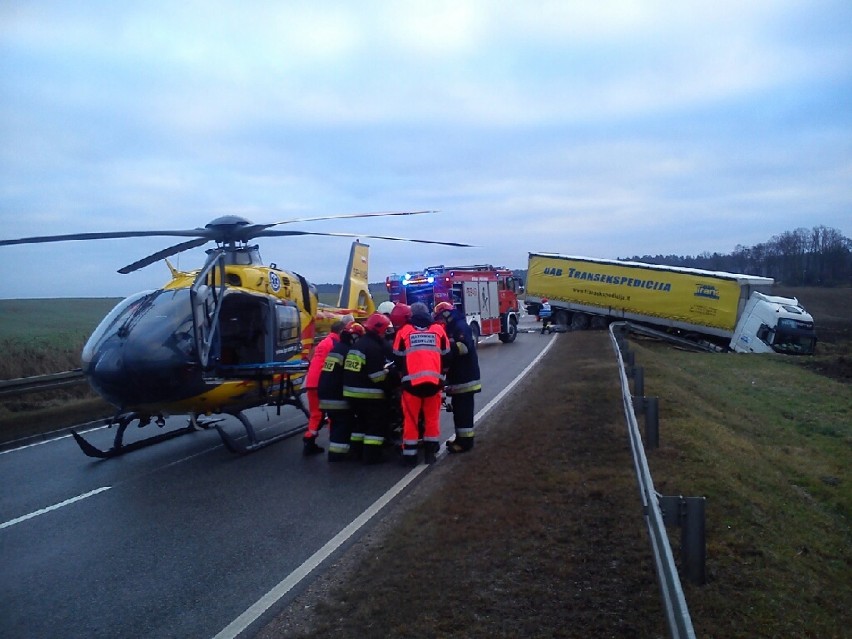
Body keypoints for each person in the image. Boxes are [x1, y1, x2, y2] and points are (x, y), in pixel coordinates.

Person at [393, 302, 450, 466]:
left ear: (411, 315)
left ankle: (409, 456)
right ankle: (430, 453)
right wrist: (441, 373)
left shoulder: (404, 331)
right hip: (434, 384)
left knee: (410, 420)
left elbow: (396, 357)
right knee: (432, 419)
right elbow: (447, 356)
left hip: (411, 385)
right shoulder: (439, 330)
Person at [343, 312, 394, 464]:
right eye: (385, 331)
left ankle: (356, 452)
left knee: (360, 424)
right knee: (375, 425)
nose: (386, 334)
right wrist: (389, 386)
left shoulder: (359, 344)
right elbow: (376, 376)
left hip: (351, 394)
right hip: (369, 395)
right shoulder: (373, 348)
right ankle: (372, 456)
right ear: (379, 330)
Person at [433, 301, 481, 453]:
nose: (440, 320)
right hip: (460, 378)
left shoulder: (460, 327)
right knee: (459, 412)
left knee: (463, 413)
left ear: (447, 314)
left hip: (465, 379)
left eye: (441, 316)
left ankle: (465, 443)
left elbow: (464, 347)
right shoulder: (453, 327)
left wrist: (445, 349)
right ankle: (460, 439)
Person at [302, 318, 351, 456]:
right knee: (333, 413)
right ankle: (335, 442)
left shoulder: (324, 342)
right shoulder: (335, 343)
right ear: (341, 331)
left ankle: (309, 439)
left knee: (316, 414)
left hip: (312, 381)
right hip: (322, 382)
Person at [318, 321, 366, 461]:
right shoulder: (348, 351)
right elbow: (353, 374)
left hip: (325, 393)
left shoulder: (336, 348)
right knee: (344, 423)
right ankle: (338, 454)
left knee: (336, 422)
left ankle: (335, 450)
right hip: (337, 395)